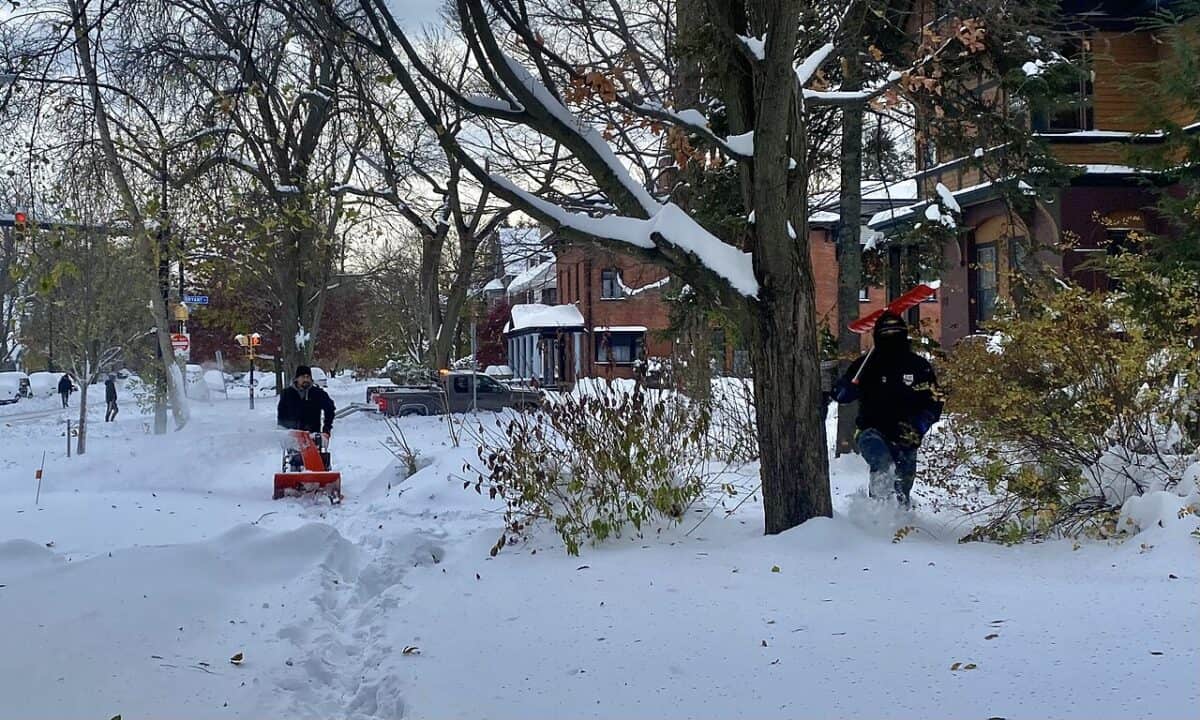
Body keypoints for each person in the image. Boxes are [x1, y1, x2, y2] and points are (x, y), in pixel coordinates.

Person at [828, 311, 943, 507]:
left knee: (902, 486)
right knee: (882, 466)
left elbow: (934, 401)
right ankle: (877, 516)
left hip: (907, 434)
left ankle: (900, 523)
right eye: (886, 332)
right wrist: (846, 387)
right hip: (871, 430)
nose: (891, 338)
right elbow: (842, 396)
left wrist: (921, 423)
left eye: (895, 332)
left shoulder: (917, 366)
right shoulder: (866, 364)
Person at [277, 365, 336, 435]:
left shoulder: (317, 393)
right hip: (292, 437)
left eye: (308, 377)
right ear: (296, 379)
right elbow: (281, 414)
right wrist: (283, 430)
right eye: (303, 377)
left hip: (312, 436)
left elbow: (330, 408)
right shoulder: (287, 394)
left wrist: (327, 428)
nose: (306, 380)